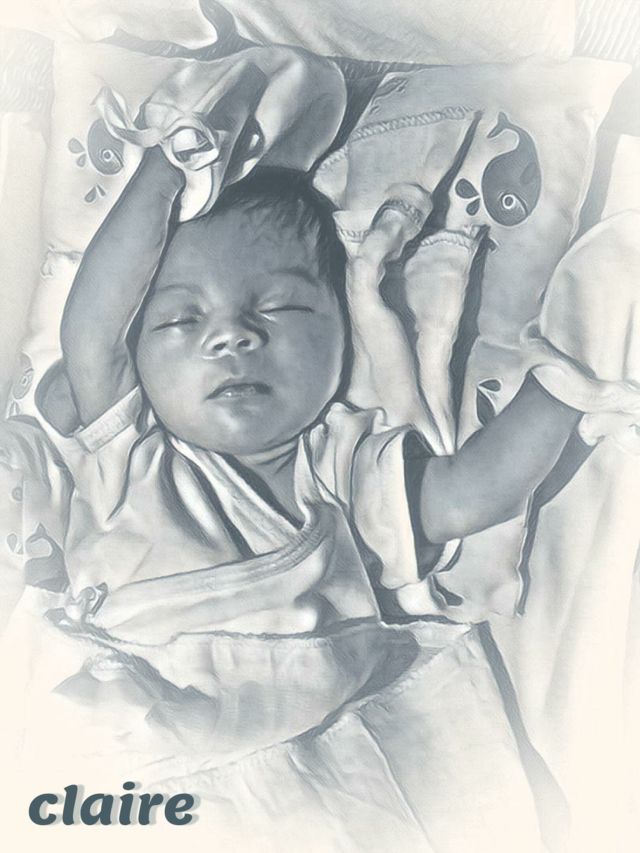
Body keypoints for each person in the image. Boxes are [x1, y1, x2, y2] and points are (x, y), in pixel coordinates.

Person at [26, 146, 580, 642]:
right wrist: (165, 166)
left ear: (346, 329)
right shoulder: (128, 458)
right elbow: (91, 334)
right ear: (136, 353)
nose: (232, 335)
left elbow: (467, 495)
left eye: (279, 306)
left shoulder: (341, 467)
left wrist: (566, 381)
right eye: (181, 319)